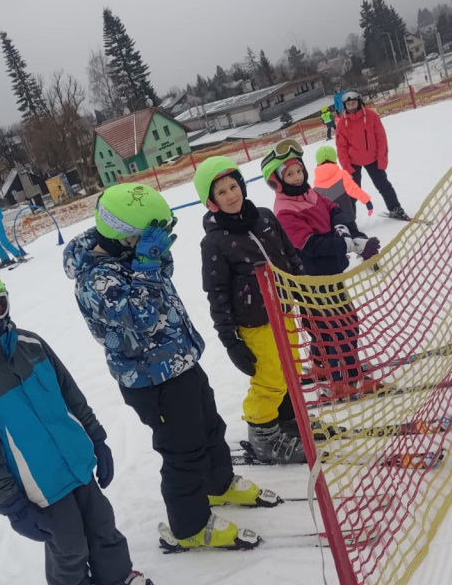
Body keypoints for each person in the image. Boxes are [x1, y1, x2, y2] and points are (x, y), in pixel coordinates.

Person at [0, 260, 175, 585]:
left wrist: (96, 438)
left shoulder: (31, 344)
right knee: (68, 543)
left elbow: (70, 393)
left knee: (102, 524)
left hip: (76, 463)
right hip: (39, 485)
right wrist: (10, 503)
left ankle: (115, 578)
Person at [64, 184, 280, 553]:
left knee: (210, 427)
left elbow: (163, 275)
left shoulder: (128, 253)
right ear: (123, 234)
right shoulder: (94, 279)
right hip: (152, 380)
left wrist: (154, 257)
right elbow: (141, 318)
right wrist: (147, 266)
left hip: (180, 361)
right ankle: (189, 526)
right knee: (183, 451)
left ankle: (218, 484)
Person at [194, 156, 306, 464]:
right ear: (211, 201)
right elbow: (216, 293)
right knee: (270, 377)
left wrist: (305, 292)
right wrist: (230, 341)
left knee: (292, 367)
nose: (231, 195)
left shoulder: (265, 218)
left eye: (234, 187)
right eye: (222, 192)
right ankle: (262, 434)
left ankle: (286, 419)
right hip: (255, 322)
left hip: (285, 309)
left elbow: (289, 256)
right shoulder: (214, 242)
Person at [261, 140, 381, 400]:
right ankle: (345, 379)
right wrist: (348, 244)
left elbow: (334, 208)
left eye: (299, 171)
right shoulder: (285, 211)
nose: (297, 177)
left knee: (331, 325)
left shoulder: (309, 194)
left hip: (330, 274)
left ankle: (322, 366)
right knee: (342, 328)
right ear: (277, 181)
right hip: (314, 280)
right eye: (289, 174)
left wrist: (342, 228)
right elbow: (311, 245)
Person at [335, 91, 410, 221]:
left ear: (359, 102)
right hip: (353, 161)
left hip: (373, 158)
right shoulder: (342, 124)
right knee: (352, 191)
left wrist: (382, 159)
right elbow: (341, 147)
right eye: (348, 104)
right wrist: (347, 168)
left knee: (383, 185)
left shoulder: (371, 116)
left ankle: (395, 208)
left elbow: (381, 138)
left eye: (354, 103)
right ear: (345, 106)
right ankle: (350, 221)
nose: (351, 106)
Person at [313, 144, 373, 234]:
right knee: (356, 236)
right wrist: (367, 201)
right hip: (348, 217)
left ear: (318, 162)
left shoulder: (317, 182)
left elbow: (318, 203)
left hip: (333, 222)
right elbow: (354, 189)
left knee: (341, 239)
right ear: (334, 159)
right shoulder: (342, 174)